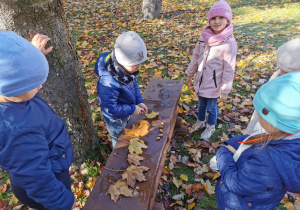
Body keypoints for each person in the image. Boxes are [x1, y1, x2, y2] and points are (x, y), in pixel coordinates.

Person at [0, 31, 75, 210]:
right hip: (49, 182)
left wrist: (30, 58)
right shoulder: (16, 130)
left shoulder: (12, 94)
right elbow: (37, 179)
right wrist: (64, 203)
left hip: (44, 168)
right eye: (33, 83)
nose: (40, 86)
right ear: (13, 87)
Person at [214, 72, 300, 209]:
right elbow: (254, 140)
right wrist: (233, 143)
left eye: (259, 112)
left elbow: (237, 184)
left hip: (238, 204)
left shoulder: (267, 163)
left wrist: (222, 155)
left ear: (273, 123)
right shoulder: (287, 138)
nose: (257, 114)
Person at [186, 0, 237, 140]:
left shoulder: (229, 43)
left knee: (212, 107)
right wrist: (190, 74)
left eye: (221, 18)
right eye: (213, 18)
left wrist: (225, 90)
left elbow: (229, 68)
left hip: (215, 83)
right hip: (202, 80)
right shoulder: (204, 36)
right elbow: (196, 56)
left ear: (227, 20)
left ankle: (211, 126)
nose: (217, 21)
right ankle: (201, 121)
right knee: (201, 103)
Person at [95, 31, 148, 148]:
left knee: (127, 131)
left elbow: (133, 85)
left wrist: (138, 101)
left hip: (125, 110)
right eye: (135, 65)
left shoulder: (126, 72)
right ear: (122, 61)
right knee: (120, 138)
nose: (138, 68)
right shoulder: (108, 83)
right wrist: (132, 108)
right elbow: (110, 110)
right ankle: (117, 155)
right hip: (115, 120)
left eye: (140, 64)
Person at [244, 37, 300, 135]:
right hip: (263, 129)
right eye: (280, 69)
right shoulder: (278, 80)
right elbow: (260, 112)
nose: (281, 73)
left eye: (287, 72)